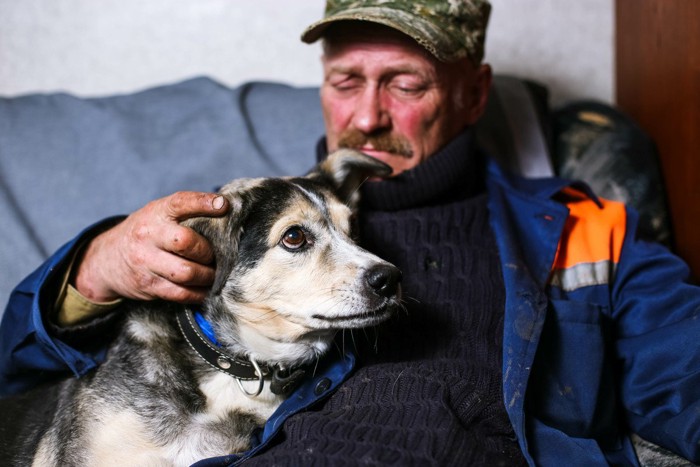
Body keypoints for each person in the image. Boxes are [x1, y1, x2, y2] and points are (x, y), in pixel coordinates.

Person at [2, 0, 699, 465]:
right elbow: (18, 378)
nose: (367, 116)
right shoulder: (251, 224)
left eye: (405, 83)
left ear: (474, 93)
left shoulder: (586, 233)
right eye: (345, 80)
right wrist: (91, 269)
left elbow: (686, 381)